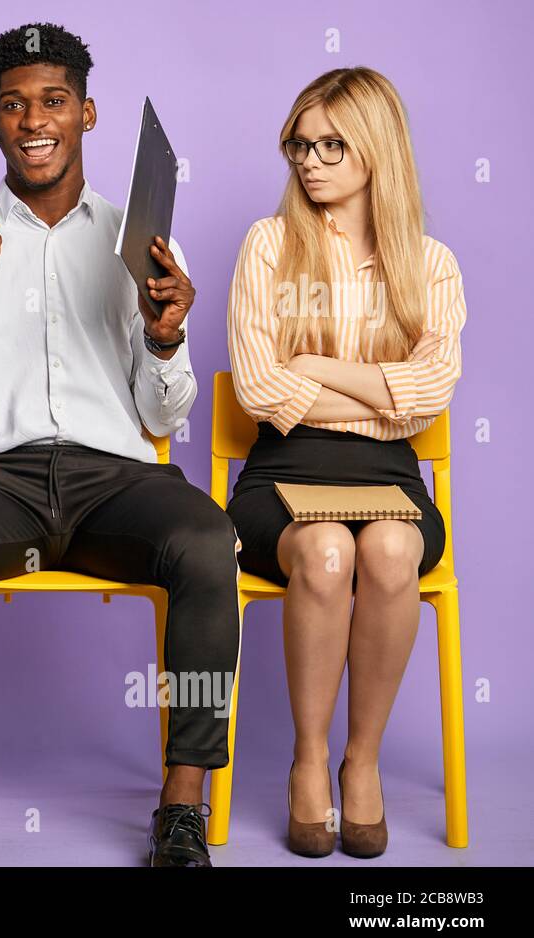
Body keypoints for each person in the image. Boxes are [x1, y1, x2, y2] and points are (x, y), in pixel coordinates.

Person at [0, 22, 240, 868]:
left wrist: (164, 338)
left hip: (115, 476)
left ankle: (182, 804)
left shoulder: (141, 241)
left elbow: (165, 413)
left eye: (53, 101)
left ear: (87, 113)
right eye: (14, 104)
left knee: (204, 538)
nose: (33, 119)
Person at [225, 66, 465, 858]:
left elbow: (428, 399)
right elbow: (261, 390)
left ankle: (361, 765)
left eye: (332, 144)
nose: (311, 161)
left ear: (377, 149)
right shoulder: (269, 244)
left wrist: (319, 369)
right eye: (300, 144)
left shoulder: (430, 264)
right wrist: (379, 398)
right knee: (327, 552)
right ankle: (307, 760)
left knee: (392, 548)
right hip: (280, 472)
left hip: (392, 476)